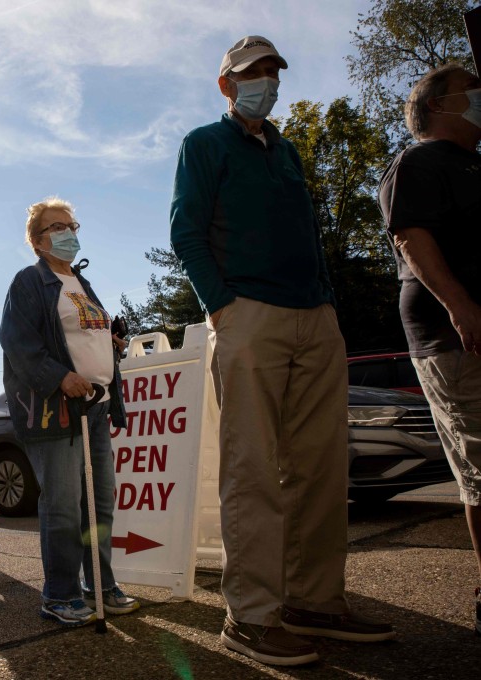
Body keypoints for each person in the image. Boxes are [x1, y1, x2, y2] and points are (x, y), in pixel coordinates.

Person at [169, 35, 395, 666]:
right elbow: (186, 231)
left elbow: (307, 236)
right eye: (252, 72)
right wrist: (223, 306)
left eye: (272, 71)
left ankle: (313, 601)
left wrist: (327, 300)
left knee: (321, 466)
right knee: (253, 467)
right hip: (247, 314)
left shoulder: (288, 150)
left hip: (314, 318)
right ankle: (251, 616)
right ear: (226, 84)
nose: (265, 82)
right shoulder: (204, 143)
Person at [377, 64, 481, 636]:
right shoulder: (417, 163)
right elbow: (410, 236)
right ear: (438, 105)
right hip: (457, 338)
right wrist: (460, 304)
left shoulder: (474, 164)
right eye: (472, 90)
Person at [0, 197, 136, 627]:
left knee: (100, 502)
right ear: (37, 241)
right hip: (56, 409)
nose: (68, 233)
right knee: (63, 505)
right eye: (57, 227)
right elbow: (17, 342)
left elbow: (83, 334)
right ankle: (60, 595)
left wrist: (109, 345)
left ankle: (101, 585)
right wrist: (59, 377)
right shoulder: (28, 282)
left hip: (96, 406)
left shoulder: (81, 283)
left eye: (72, 225)